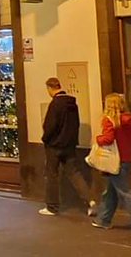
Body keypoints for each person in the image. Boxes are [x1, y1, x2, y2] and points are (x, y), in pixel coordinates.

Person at [91, 93, 131, 234]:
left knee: (125, 193)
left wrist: (98, 139)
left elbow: (108, 139)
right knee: (111, 191)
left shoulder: (109, 121)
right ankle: (103, 219)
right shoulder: (129, 120)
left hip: (114, 161)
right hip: (126, 160)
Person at [39, 77, 96, 216]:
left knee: (52, 174)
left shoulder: (55, 104)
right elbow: (75, 124)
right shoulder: (72, 104)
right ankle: (90, 200)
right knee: (74, 173)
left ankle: (52, 206)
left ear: (50, 88)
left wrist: (45, 139)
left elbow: (50, 126)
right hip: (69, 145)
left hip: (54, 145)